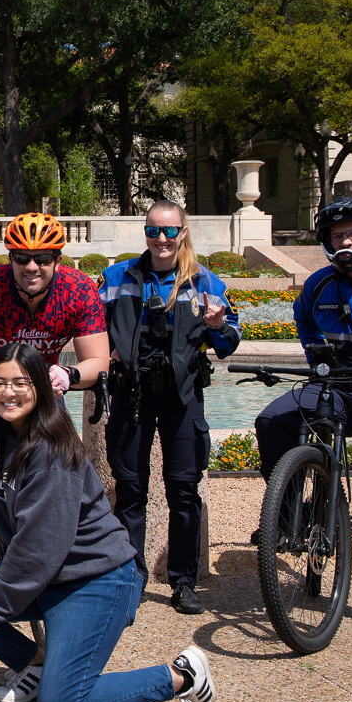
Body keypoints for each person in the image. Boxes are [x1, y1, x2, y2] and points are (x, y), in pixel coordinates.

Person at [0, 342, 216, 702]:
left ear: (41, 388)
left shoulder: (50, 450)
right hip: (43, 577)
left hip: (94, 579)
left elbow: (38, 550)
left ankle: (182, 677)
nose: (8, 392)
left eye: (20, 382)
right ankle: (35, 662)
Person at [253, 198, 352, 632]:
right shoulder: (318, 284)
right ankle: (287, 510)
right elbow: (304, 322)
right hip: (335, 384)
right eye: (337, 235)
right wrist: (316, 353)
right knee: (274, 420)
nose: (345, 241)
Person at [100, 200, 240, 614]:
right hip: (132, 395)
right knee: (130, 492)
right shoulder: (117, 276)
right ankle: (131, 579)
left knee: (183, 491)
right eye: (153, 231)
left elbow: (229, 343)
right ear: (145, 233)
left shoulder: (204, 280)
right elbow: (89, 328)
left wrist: (217, 326)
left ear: (183, 233)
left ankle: (183, 582)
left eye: (169, 231)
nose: (161, 239)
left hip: (181, 397)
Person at [0, 212, 110, 422]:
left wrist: (67, 374)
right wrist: (27, 381)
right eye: (21, 257)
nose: (31, 267)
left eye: (43, 258)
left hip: (47, 388)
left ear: (58, 260)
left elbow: (99, 362)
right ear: (11, 258)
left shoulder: (79, 289)